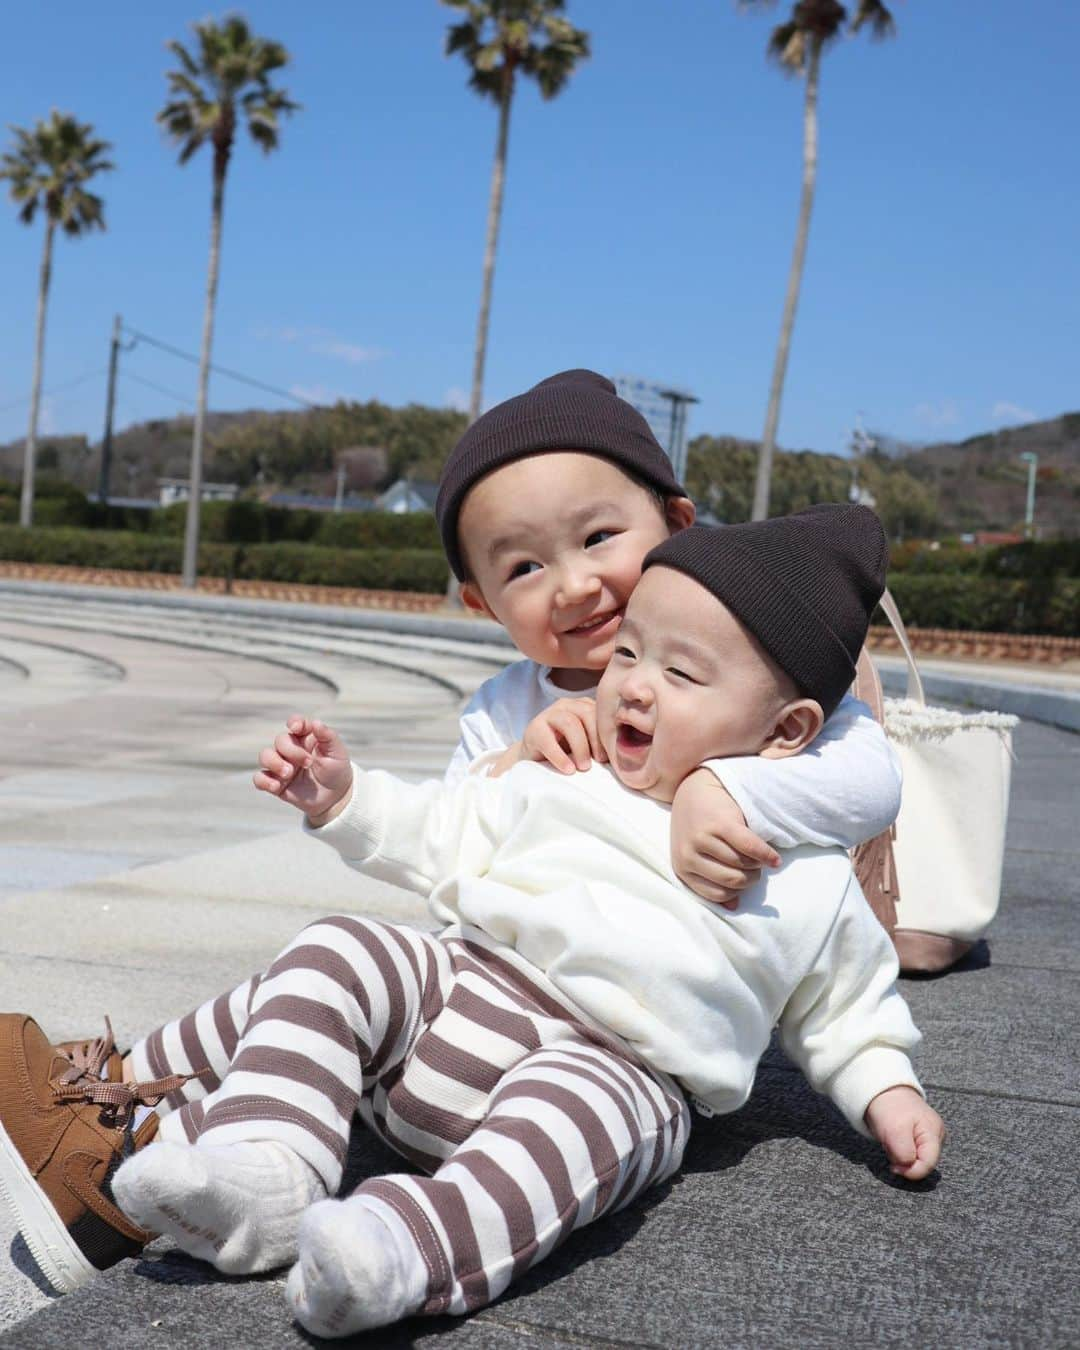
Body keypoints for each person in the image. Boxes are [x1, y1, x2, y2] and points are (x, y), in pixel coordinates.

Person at [0, 372, 901, 1296]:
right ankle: (176, 1119)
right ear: (480, 602)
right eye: (524, 567)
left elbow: (869, 771)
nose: (578, 585)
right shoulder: (513, 710)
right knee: (331, 957)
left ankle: (401, 1252)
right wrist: (435, 779)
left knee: (566, 1129)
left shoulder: (756, 650)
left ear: (678, 527)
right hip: (471, 994)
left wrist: (723, 789)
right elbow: (449, 832)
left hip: (623, 1048)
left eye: (599, 538)